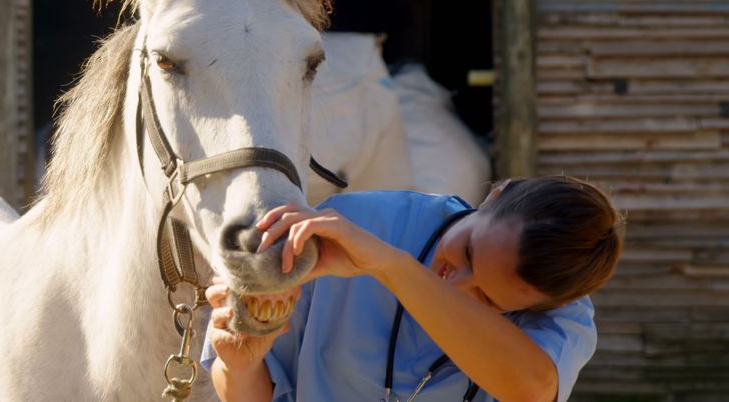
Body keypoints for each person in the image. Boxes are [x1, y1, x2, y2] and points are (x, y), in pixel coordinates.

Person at [204, 176, 625, 401]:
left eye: (487, 300)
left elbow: (530, 391)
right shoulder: (352, 223)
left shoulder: (563, 318)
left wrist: (391, 266)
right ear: (496, 194)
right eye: (468, 254)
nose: (456, 283)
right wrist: (240, 365)